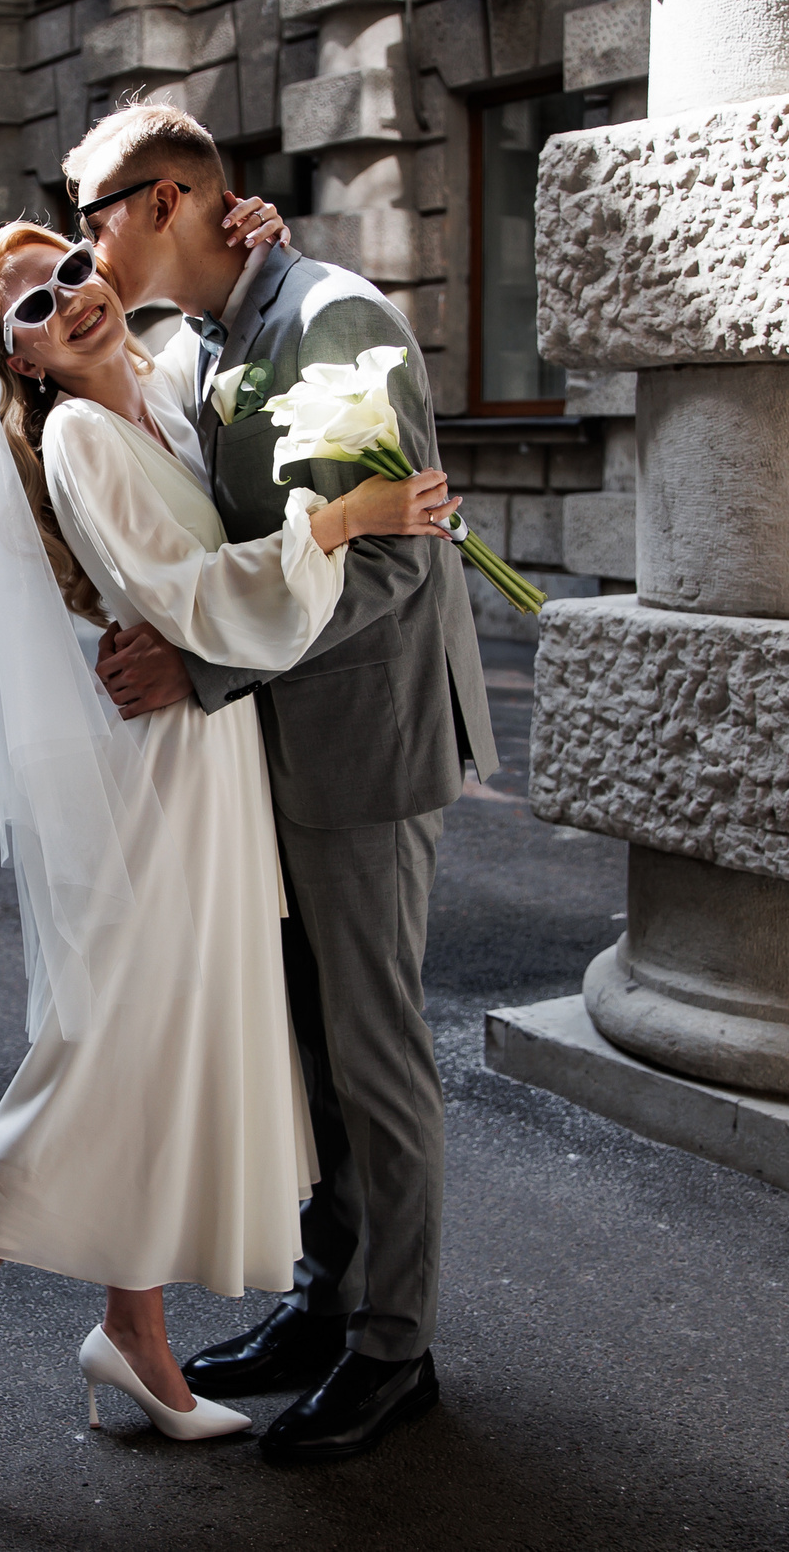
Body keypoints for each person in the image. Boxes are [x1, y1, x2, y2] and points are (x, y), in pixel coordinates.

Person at [0, 216, 461, 1502]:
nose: (64, 298)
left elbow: (229, 323)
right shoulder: (75, 436)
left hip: (225, 764)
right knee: (101, 1052)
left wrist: (270, 231)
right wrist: (349, 519)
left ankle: (136, 1340)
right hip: (173, 777)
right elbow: (192, 595)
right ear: (20, 365)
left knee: (163, 1048)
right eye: (27, 308)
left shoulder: (169, 387)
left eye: (71, 268)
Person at [61, 102, 497, 1466]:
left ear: (170, 198)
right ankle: (327, 1304)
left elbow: (391, 563)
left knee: (374, 1056)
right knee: (311, 1055)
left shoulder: (333, 320)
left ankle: (394, 1348)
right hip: (280, 752)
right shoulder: (210, 338)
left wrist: (198, 675)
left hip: (365, 746)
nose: (85, 253)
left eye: (96, 218)